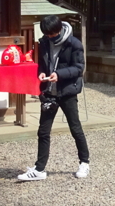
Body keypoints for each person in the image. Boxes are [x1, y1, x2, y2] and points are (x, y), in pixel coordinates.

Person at [18, 15, 89, 181]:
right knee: (43, 131)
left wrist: (59, 74)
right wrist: (41, 73)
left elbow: (79, 68)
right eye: (47, 35)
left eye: (52, 34)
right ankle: (39, 169)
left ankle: (84, 162)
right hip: (49, 92)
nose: (50, 37)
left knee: (75, 127)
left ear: (59, 30)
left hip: (67, 91)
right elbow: (42, 64)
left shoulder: (74, 44)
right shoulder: (44, 42)